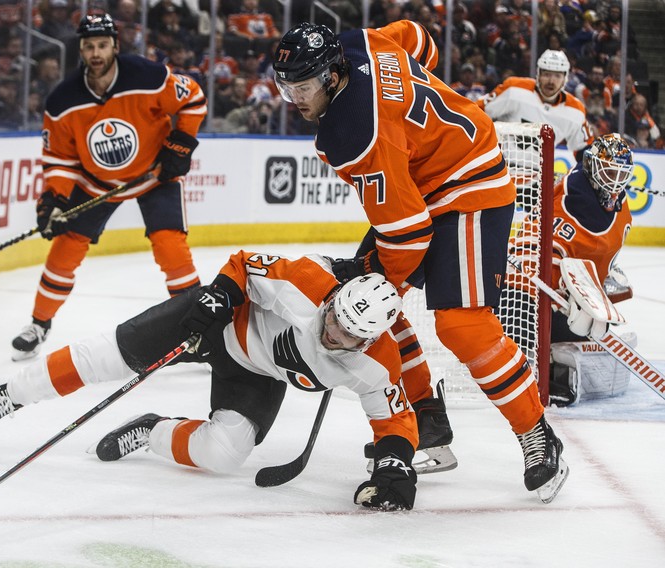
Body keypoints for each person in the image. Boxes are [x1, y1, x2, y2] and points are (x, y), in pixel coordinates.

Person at [271, 21, 568, 502]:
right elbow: (415, 36)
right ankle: (428, 420)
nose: (295, 98)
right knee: (369, 305)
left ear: (330, 76)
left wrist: (376, 283)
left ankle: (537, 434)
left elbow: (408, 235)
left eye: (302, 87)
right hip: (424, 183)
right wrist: (412, 114)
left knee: (460, 325)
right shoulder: (356, 41)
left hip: (471, 187)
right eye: (286, 86)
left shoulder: (352, 132)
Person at [0, 250, 421, 511]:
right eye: (335, 317)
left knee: (225, 453)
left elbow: (394, 419)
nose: (331, 331)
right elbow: (244, 263)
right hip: (218, 323)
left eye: (347, 334)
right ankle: (12, 395)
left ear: (370, 339)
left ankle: (152, 429)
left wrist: (394, 464)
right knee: (108, 357)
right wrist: (220, 295)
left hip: (257, 372)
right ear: (336, 297)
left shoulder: (377, 363)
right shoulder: (306, 280)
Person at [11, 14, 207, 361]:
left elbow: (193, 98)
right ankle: (38, 324)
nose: (96, 53)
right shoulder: (62, 101)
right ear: (81, 51)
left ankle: (200, 329)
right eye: (89, 47)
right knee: (65, 248)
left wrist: (180, 143)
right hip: (95, 182)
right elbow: (59, 159)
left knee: (170, 247)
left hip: (154, 175)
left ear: (115, 46)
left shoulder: (147, 76)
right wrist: (54, 199)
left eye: (102, 45)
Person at [511, 134, 635, 406]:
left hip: (562, 297)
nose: (615, 182)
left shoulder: (618, 204)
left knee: (598, 324)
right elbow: (526, 259)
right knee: (528, 319)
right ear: (591, 167)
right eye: (609, 172)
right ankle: (532, 372)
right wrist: (561, 295)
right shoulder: (565, 203)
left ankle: (555, 356)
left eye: (620, 173)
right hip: (524, 298)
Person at [479, 48, 594, 161]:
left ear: (565, 79)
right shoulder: (514, 89)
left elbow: (584, 149)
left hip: (540, 176)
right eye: (547, 74)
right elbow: (479, 110)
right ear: (538, 74)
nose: (551, 81)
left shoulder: (576, 110)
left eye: (557, 76)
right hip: (500, 168)